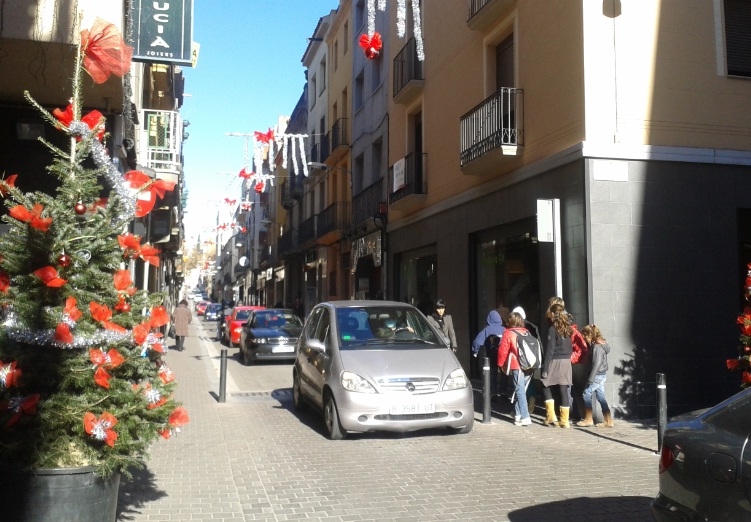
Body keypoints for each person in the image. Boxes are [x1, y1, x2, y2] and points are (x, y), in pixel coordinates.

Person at [497, 311, 533, 426]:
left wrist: (501, 364)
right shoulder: (526, 332)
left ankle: (525, 416)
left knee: (519, 391)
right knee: (521, 390)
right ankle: (517, 415)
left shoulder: (508, 333)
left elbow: (503, 351)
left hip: (517, 365)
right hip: (530, 365)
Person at [541, 303, 573, 427]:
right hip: (566, 361)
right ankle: (565, 421)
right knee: (563, 389)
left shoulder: (553, 329)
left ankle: (551, 416)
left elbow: (550, 350)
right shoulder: (568, 328)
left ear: (554, 314)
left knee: (545, 384)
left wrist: (545, 368)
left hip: (556, 360)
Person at [577, 324, 614, 428]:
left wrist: (591, 378)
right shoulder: (599, 345)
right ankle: (608, 420)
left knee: (586, 393)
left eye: (585, 337)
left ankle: (588, 419)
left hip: (597, 375)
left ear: (590, 336)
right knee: (600, 396)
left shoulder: (597, 347)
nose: (584, 339)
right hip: (601, 374)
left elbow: (597, 363)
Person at [471, 308, 506, 398]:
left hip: (492, 355)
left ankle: (493, 393)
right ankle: (503, 393)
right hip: (504, 355)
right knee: (504, 373)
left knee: (493, 374)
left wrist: (475, 351)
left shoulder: (487, 329)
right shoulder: (504, 329)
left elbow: (478, 341)